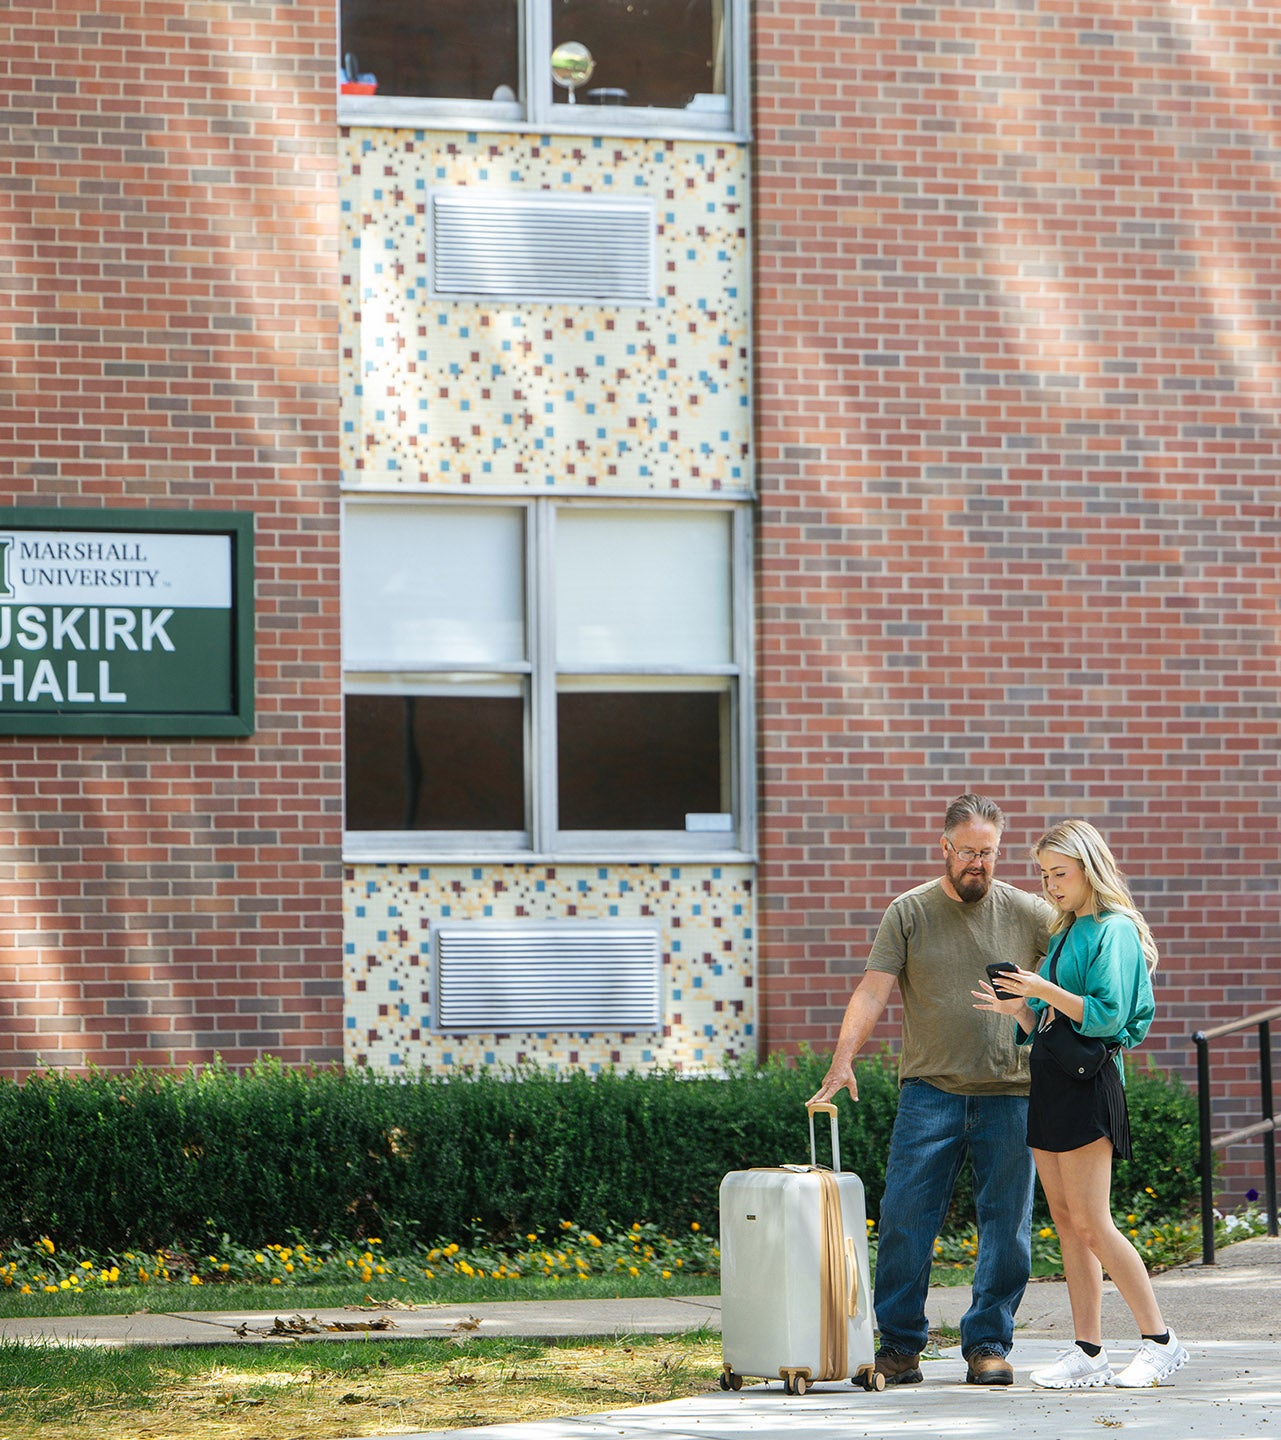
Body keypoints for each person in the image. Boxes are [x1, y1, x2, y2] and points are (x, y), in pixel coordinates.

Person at [809, 793, 1053, 1387]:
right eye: (968, 851)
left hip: (1012, 1093)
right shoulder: (909, 911)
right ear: (944, 847)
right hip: (930, 1093)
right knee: (904, 1219)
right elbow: (872, 990)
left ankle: (989, 1345)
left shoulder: (1031, 913)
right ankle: (898, 1346)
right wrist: (843, 1064)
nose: (979, 863)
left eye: (989, 853)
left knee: (1007, 1228)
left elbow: (1079, 978)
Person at [972, 819, 1188, 1389]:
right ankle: (1089, 1352)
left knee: (1094, 1222)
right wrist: (1017, 1010)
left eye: (1059, 873)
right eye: (1043, 875)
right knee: (1068, 1224)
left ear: (1090, 868)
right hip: (1050, 1080)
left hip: (1089, 1084)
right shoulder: (1068, 930)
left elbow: (1109, 1015)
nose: (1050, 885)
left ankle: (1161, 1342)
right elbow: (1052, 1017)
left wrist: (1040, 989)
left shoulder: (1113, 929)